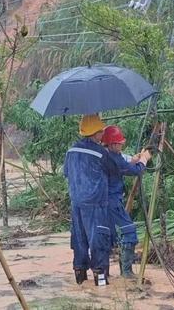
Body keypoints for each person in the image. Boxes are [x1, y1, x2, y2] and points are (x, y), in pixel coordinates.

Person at [63, 114, 111, 286]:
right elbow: (114, 171)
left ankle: (80, 276)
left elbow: (66, 173)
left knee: (79, 239)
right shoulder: (100, 153)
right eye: (101, 131)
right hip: (96, 203)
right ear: (96, 132)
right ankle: (100, 279)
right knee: (98, 238)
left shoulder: (71, 150)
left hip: (76, 202)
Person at [101, 125, 152, 278]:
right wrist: (144, 160)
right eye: (120, 143)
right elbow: (136, 171)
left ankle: (104, 275)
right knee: (130, 233)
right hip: (113, 203)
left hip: (104, 203)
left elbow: (123, 166)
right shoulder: (114, 158)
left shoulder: (106, 155)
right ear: (112, 144)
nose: (122, 145)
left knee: (107, 238)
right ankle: (127, 273)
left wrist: (134, 160)